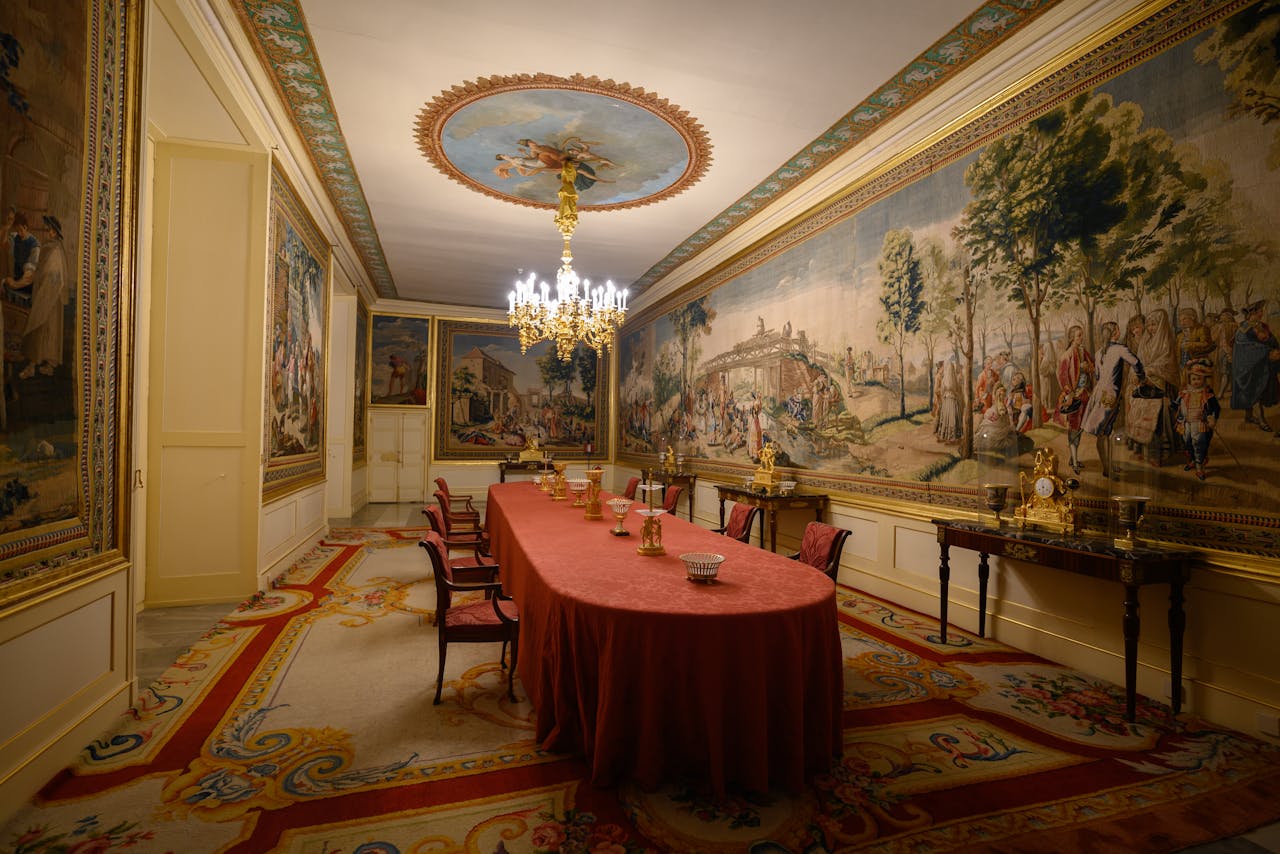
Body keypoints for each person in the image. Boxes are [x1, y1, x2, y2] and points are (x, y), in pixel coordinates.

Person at [1082, 320, 1147, 478]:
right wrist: (1141, 377)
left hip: (1099, 393)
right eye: (1118, 329)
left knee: (1106, 432)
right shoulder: (1120, 349)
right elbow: (1136, 362)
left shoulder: (1099, 352)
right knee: (1103, 433)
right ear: (1115, 333)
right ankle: (1107, 469)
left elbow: (1098, 376)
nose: (1120, 332)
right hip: (1110, 395)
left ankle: (1108, 465)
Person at [16, 215, 69, 379]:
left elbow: (55, 276)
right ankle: (37, 365)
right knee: (42, 331)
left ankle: (36, 366)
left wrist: (43, 289)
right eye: (47, 230)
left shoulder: (56, 251)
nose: (47, 233)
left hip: (50, 297)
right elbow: (41, 269)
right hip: (45, 293)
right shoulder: (48, 247)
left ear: (55, 233)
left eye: (50, 230)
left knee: (42, 329)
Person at [1230, 300, 1280, 432]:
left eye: (1261, 311)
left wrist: (1275, 349)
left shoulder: (1262, 325)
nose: (1261, 313)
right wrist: (1267, 351)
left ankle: (1249, 416)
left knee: (1256, 390)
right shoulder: (1244, 328)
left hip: (1261, 363)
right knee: (1254, 390)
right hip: (1248, 365)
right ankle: (1261, 420)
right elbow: (1245, 346)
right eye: (1259, 311)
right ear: (1252, 313)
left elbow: (1271, 339)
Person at [1056, 324, 1095, 473]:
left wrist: (1087, 367)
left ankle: (1074, 458)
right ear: (1072, 337)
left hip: (1084, 394)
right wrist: (1070, 394)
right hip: (1073, 397)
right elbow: (1062, 377)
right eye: (1079, 335)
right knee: (1073, 427)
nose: (1081, 337)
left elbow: (1092, 367)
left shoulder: (1083, 351)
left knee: (1079, 428)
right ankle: (1074, 462)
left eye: (1082, 335)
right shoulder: (1066, 355)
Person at [1175, 358, 1220, 481]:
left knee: (1198, 443)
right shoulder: (1184, 392)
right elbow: (1176, 404)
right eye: (1194, 379)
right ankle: (1193, 460)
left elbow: (1216, 408)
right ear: (1190, 379)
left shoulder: (1207, 393)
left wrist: (1211, 418)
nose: (1196, 382)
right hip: (1186, 423)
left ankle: (1199, 466)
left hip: (1199, 423)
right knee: (1187, 442)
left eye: (1199, 379)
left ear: (1204, 380)